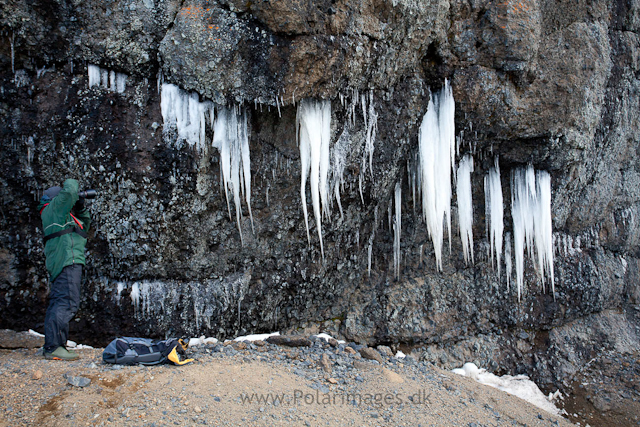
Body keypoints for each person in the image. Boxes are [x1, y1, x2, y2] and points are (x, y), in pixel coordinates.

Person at [38, 179, 91, 360]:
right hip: (66, 261)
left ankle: (56, 344)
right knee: (66, 302)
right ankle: (53, 347)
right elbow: (70, 190)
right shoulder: (53, 210)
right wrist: (71, 187)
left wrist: (81, 207)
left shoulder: (61, 216)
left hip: (68, 261)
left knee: (61, 301)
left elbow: (85, 226)